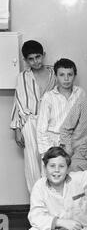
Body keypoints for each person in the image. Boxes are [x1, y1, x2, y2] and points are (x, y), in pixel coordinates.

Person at [24, 147, 87, 230]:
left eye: (61, 166)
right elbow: (36, 216)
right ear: (45, 168)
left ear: (68, 168)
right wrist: (60, 222)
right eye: (52, 166)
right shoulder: (39, 186)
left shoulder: (79, 179)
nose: (56, 170)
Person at [10, 40, 56, 192]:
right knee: (32, 163)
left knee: (52, 159)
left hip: (51, 123)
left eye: (38, 57)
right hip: (30, 122)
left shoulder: (55, 73)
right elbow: (18, 102)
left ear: (43, 55)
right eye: (31, 58)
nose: (35, 61)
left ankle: (52, 200)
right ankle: (36, 204)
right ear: (25, 60)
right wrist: (17, 129)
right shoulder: (22, 77)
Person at [37, 58, 85, 157]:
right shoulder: (48, 97)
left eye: (70, 75)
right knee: (56, 171)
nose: (66, 79)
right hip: (54, 143)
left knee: (74, 171)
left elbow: (84, 120)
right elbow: (41, 128)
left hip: (75, 142)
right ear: (56, 76)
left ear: (74, 76)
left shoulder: (80, 93)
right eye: (62, 75)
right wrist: (47, 153)